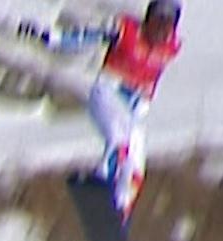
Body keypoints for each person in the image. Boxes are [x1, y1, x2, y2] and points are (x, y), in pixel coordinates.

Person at [17, 0, 183, 220]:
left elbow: (152, 76)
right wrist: (50, 37)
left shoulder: (171, 48)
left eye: (167, 23)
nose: (161, 28)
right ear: (148, 17)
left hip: (131, 109)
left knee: (135, 168)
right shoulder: (125, 31)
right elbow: (86, 37)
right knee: (119, 141)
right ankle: (101, 181)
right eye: (157, 19)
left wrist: (145, 99)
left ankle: (119, 212)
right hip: (107, 93)